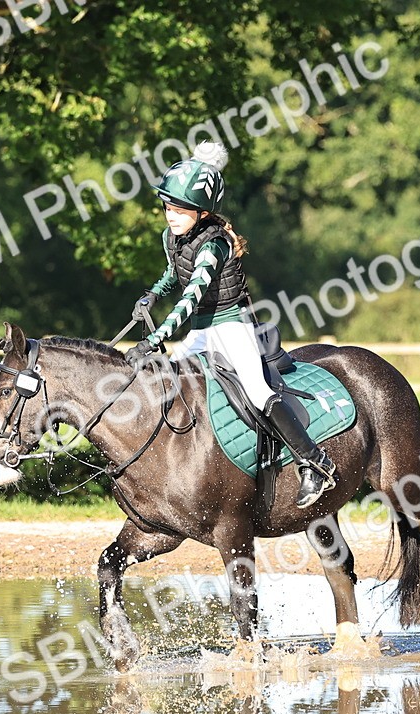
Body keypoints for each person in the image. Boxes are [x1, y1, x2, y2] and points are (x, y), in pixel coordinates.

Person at [124, 141, 336, 509]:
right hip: (203, 330)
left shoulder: (215, 245)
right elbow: (173, 274)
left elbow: (191, 297)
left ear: (203, 212)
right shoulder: (173, 236)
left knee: (256, 391)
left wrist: (156, 337)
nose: (170, 215)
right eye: (167, 206)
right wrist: (152, 295)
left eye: (180, 208)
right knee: (167, 380)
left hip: (231, 325)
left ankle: (315, 463)